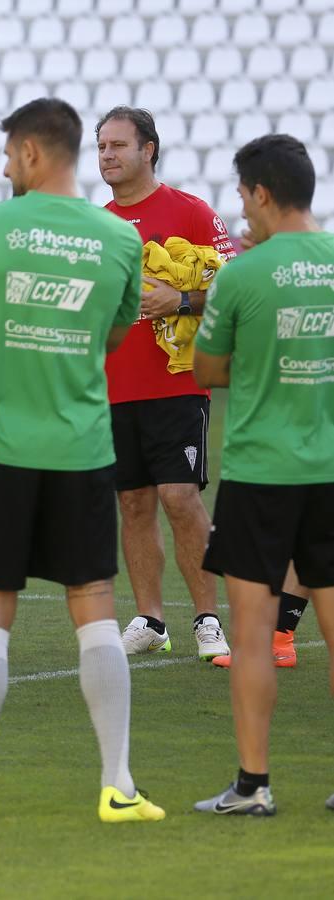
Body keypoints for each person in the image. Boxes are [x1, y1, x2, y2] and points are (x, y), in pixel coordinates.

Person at [0, 99, 162, 825]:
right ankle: (117, 785)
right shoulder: (117, 238)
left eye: (6, 156)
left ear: (29, 153)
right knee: (92, 609)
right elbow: (115, 335)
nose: (2, 169)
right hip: (83, 446)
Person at [191, 134, 334, 817]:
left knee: (251, 634)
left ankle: (252, 785)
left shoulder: (240, 275)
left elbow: (207, 371)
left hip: (259, 472)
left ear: (263, 193)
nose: (241, 209)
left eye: (244, 196)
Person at [96, 106, 234, 660]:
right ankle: (150, 620)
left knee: (179, 497)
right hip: (111, 388)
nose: (107, 156)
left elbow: (233, 288)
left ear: (148, 149)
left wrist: (178, 299)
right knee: (132, 505)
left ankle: (207, 618)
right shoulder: (96, 224)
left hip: (177, 384)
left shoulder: (192, 212)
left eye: (118, 146)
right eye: (101, 147)